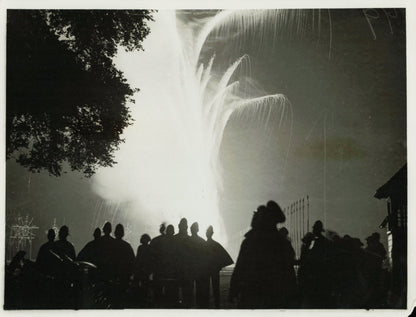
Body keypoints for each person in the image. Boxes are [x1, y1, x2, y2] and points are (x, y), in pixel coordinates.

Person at [229, 201, 296, 308]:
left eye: (256, 214)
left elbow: (240, 267)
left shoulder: (250, 240)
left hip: (253, 292)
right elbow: (288, 269)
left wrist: (233, 289)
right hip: (273, 294)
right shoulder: (281, 242)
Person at [205, 225, 233, 308]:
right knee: (215, 288)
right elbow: (224, 256)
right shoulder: (215, 244)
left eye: (207, 232)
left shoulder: (204, 245)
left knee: (209, 288)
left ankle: (211, 306)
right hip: (214, 269)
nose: (207, 233)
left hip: (208, 270)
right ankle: (217, 305)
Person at [189, 222, 209, 308]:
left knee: (189, 292)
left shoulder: (187, 241)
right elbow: (206, 256)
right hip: (199, 270)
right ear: (197, 230)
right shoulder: (202, 241)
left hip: (190, 269)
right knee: (200, 292)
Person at [173, 218, 192, 307]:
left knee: (175, 290)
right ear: (187, 227)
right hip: (187, 268)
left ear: (179, 226)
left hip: (176, 268)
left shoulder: (174, 239)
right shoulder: (190, 239)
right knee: (187, 292)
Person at [135, 233, 152, 301]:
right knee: (146, 284)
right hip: (146, 270)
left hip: (140, 269)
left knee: (140, 284)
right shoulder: (149, 248)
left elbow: (138, 258)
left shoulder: (140, 248)